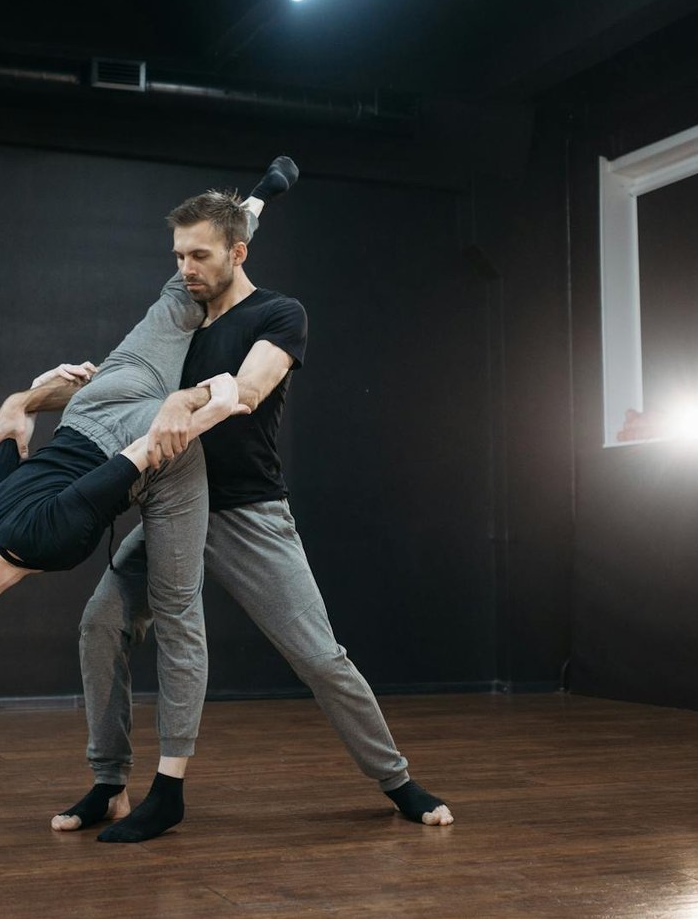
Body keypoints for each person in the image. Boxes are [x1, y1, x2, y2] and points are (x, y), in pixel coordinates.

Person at [0, 158, 301, 845]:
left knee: (177, 609)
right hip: (93, 403)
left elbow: (134, 463)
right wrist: (20, 402)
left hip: (129, 429)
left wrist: (207, 404)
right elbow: (6, 442)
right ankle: (109, 785)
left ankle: (167, 791)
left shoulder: (45, 540)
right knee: (176, 293)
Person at [50, 186, 455, 833]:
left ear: (238, 253)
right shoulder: (181, 315)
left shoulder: (278, 314)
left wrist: (185, 403)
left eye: (200, 256)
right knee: (101, 623)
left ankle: (397, 780)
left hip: (247, 513)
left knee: (322, 657)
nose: (185, 269)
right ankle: (108, 782)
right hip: (173, 505)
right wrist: (39, 395)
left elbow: (252, 388)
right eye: (178, 256)